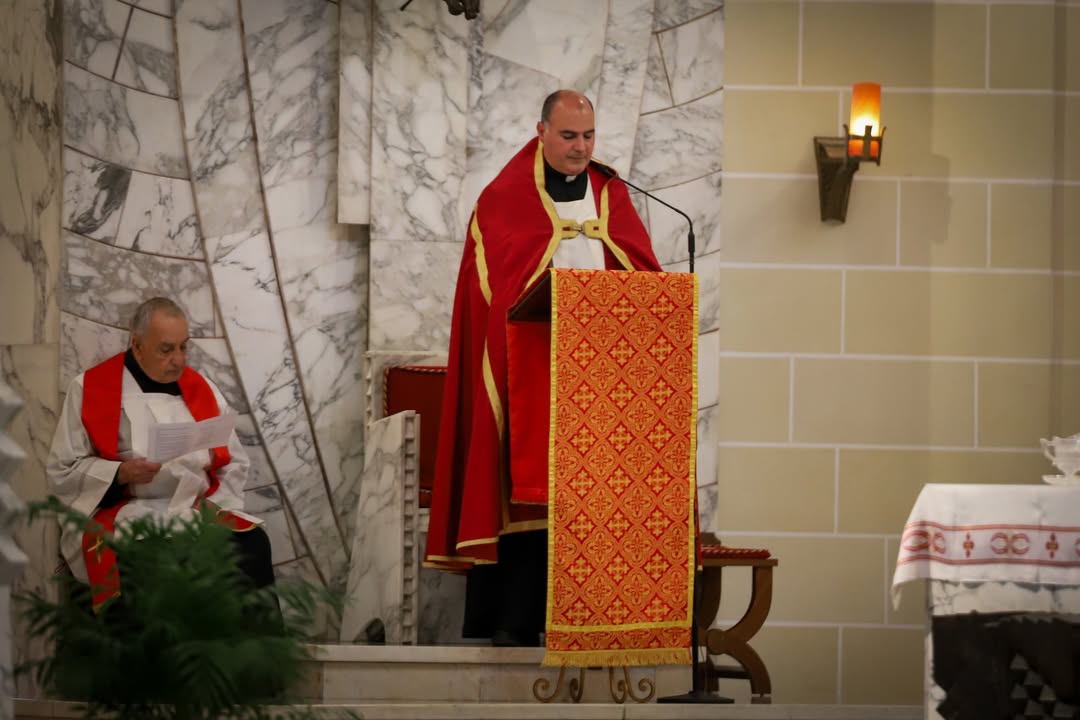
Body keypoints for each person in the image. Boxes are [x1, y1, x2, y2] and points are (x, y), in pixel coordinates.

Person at [424, 90, 662, 646]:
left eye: (589, 136)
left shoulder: (611, 192)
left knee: (596, 492)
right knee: (524, 485)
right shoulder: (503, 197)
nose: (581, 148)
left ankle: (596, 617)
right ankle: (514, 618)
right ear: (541, 131)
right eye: (569, 136)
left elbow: (640, 268)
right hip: (527, 364)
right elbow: (495, 289)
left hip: (603, 373)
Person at [46, 296, 272, 611]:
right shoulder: (91, 389)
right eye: (166, 349)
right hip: (129, 513)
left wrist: (211, 505)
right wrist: (120, 473)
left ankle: (252, 658)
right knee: (162, 556)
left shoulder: (203, 390)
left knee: (253, 544)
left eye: (184, 347)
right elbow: (63, 470)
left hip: (194, 510)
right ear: (136, 345)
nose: (179, 360)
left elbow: (232, 463)